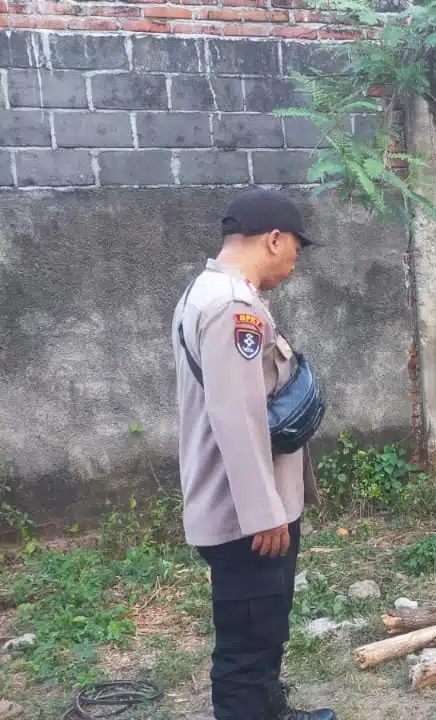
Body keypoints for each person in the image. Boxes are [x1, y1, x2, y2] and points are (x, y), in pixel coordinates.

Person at [171, 188, 335, 720]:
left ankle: (272, 711)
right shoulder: (232, 308)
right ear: (273, 239)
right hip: (247, 518)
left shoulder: (208, 293)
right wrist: (264, 513)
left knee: (264, 629)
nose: (293, 263)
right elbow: (237, 417)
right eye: (294, 250)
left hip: (246, 506)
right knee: (246, 646)